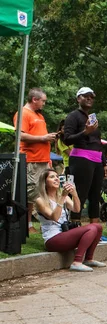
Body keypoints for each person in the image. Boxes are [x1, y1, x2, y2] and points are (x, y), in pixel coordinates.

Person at [35, 169, 104, 271]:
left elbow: (77, 209)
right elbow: (55, 217)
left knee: (98, 227)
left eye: (57, 177)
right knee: (91, 228)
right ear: (44, 182)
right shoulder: (40, 200)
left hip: (65, 234)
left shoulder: (63, 196)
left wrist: (74, 193)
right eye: (52, 177)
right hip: (52, 239)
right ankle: (77, 262)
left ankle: (88, 259)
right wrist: (63, 196)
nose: (56, 179)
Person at [63, 87, 107, 225]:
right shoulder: (73, 116)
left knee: (96, 196)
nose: (89, 98)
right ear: (78, 99)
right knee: (80, 194)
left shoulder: (91, 118)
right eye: (86, 96)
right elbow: (67, 139)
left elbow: (98, 142)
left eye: (92, 96)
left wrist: (104, 163)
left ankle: (95, 229)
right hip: (82, 158)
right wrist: (85, 132)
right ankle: (75, 225)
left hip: (97, 160)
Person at [13, 88, 56, 233]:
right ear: (34, 99)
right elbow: (20, 135)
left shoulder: (39, 115)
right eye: (43, 101)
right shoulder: (23, 113)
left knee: (41, 191)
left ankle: (34, 224)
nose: (44, 103)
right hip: (31, 160)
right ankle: (26, 224)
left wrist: (48, 158)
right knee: (31, 192)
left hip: (43, 160)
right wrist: (43, 138)